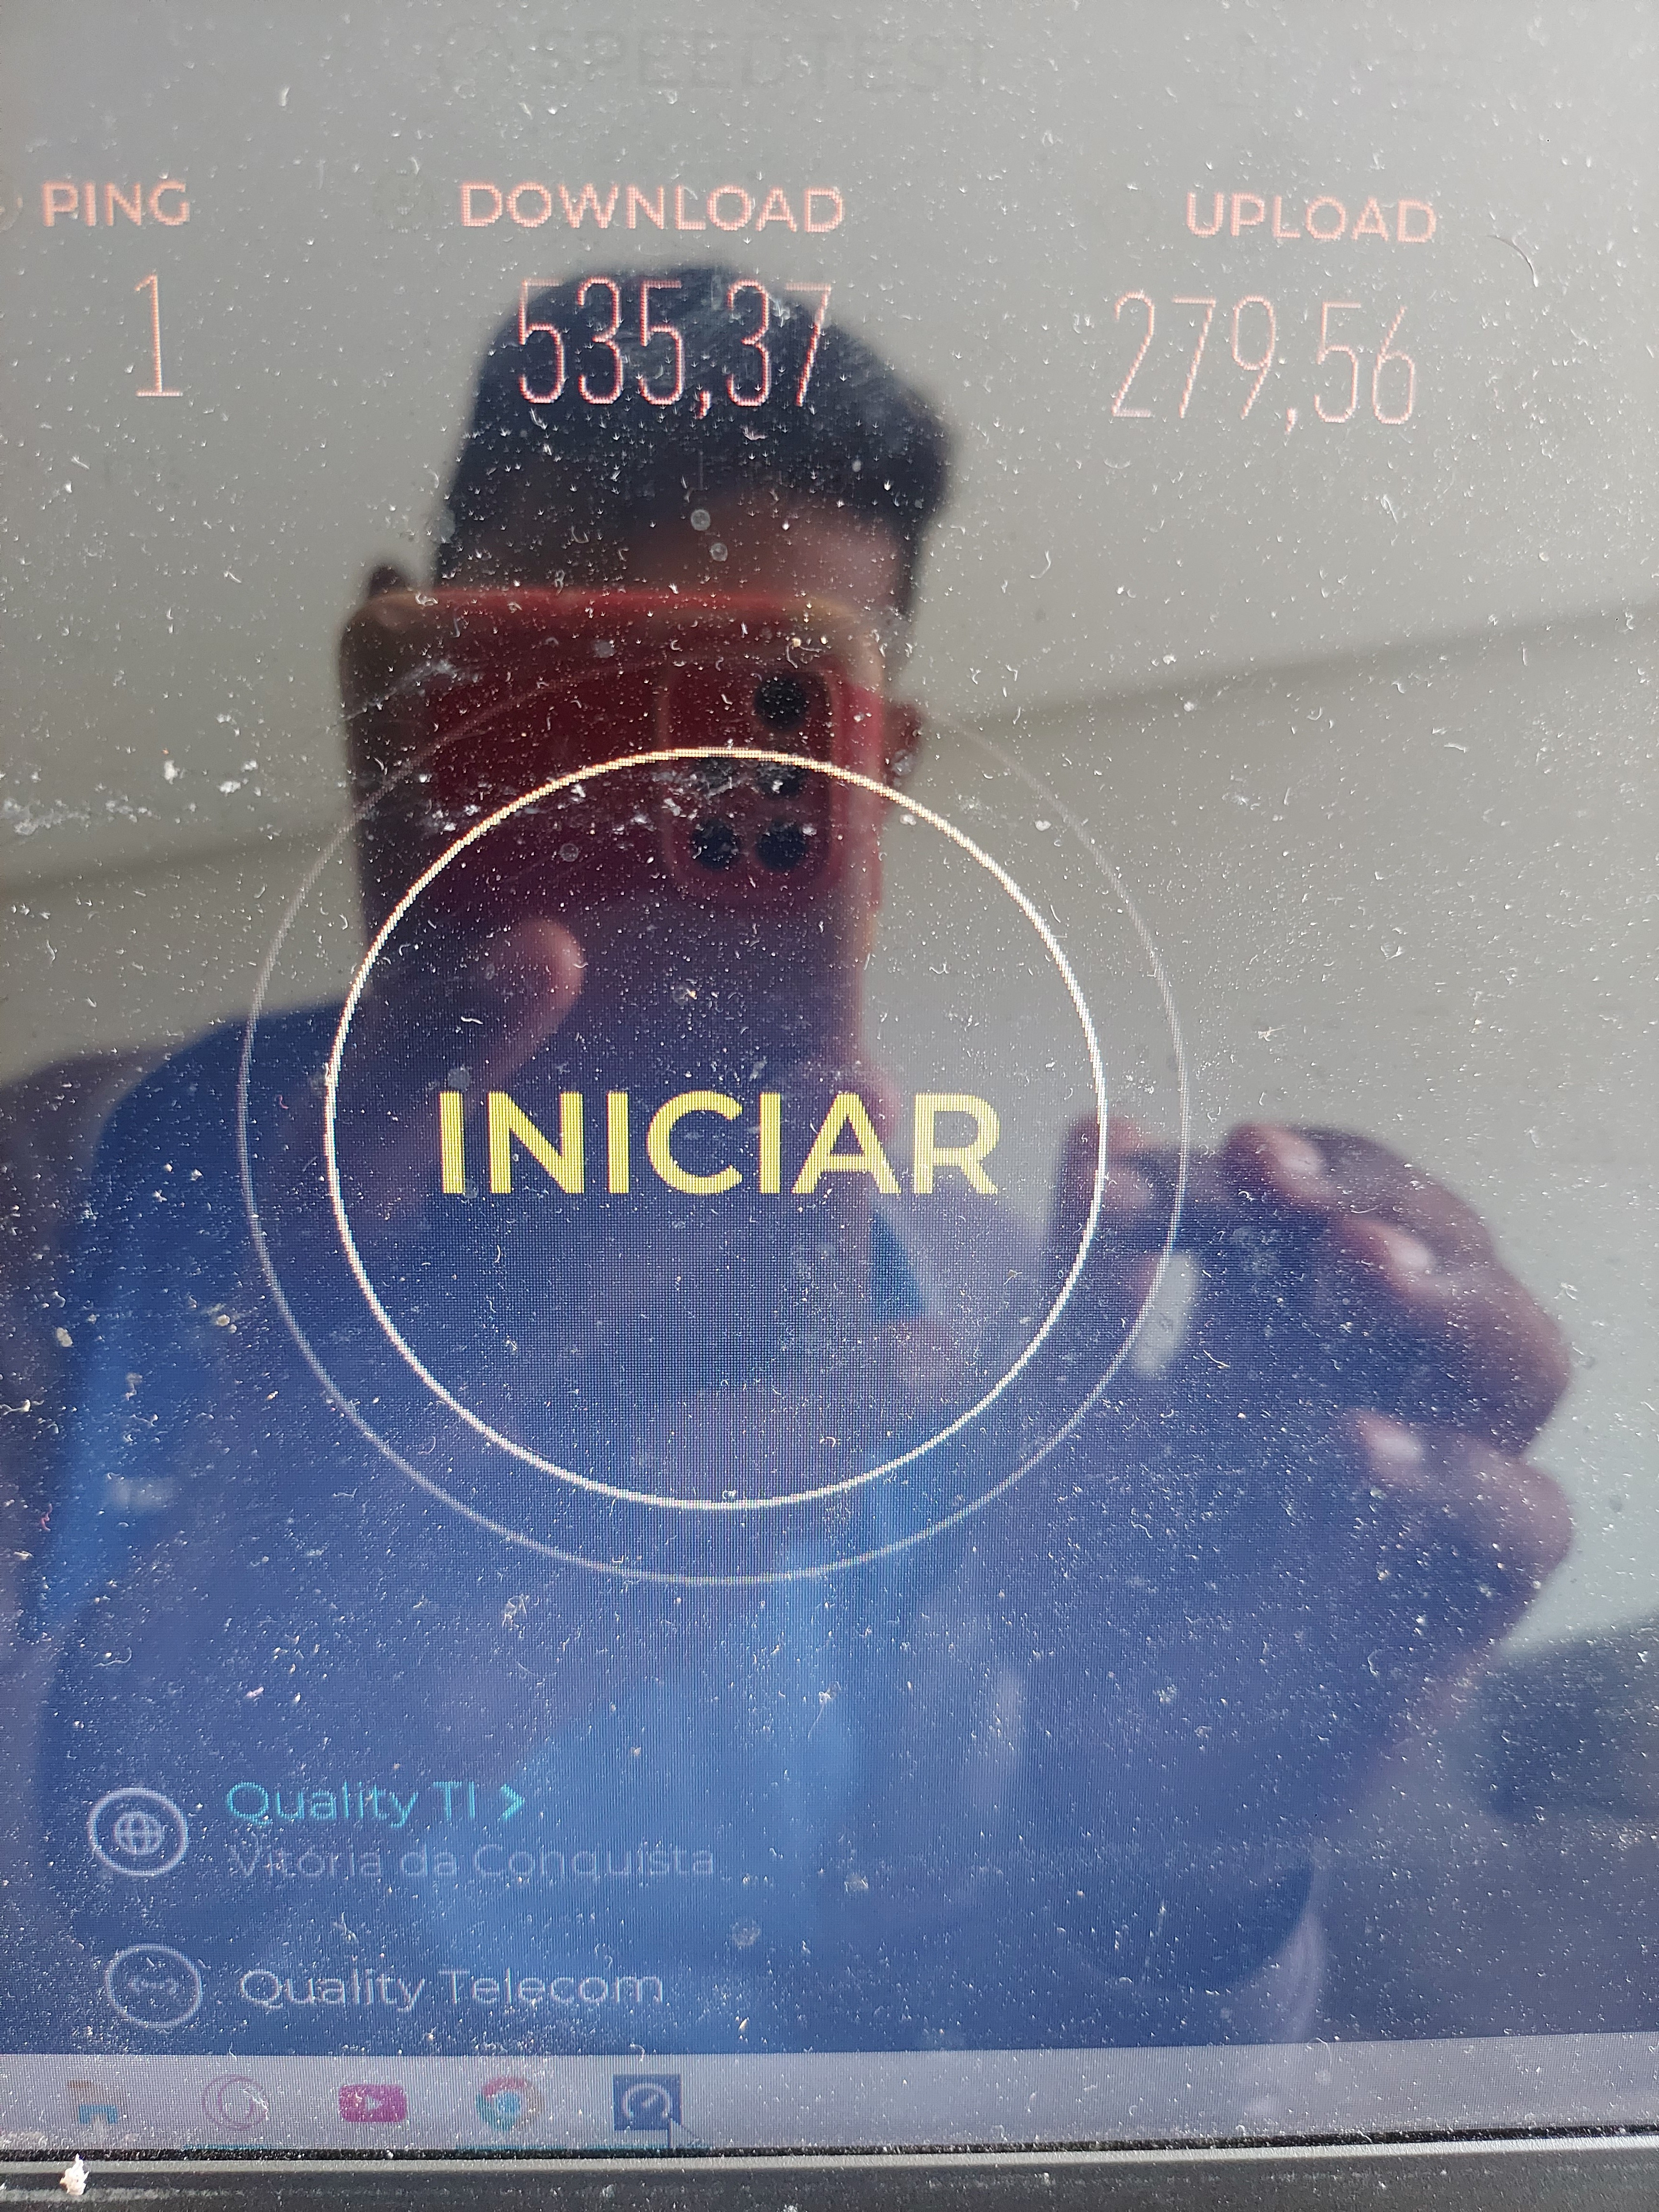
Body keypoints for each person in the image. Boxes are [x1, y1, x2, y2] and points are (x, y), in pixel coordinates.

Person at [16, 269, 1572, 2057]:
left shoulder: (984, 1311)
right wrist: (164, 1761)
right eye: (567, 710)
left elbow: (1014, 2073)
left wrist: (1173, 1860)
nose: (639, 806)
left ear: (876, 765)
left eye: (749, 734)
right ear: (400, 672)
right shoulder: (65, 1183)